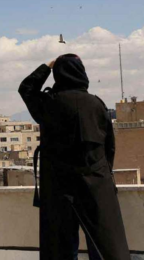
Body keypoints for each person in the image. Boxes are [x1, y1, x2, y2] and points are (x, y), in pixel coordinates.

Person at [18, 54, 130, 260]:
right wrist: (103, 174)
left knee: (60, 246)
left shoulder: (49, 103)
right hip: (96, 181)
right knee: (104, 243)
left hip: (59, 184)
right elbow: (109, 146)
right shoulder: (97, 105)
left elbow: (26, 88)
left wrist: (47, 66)